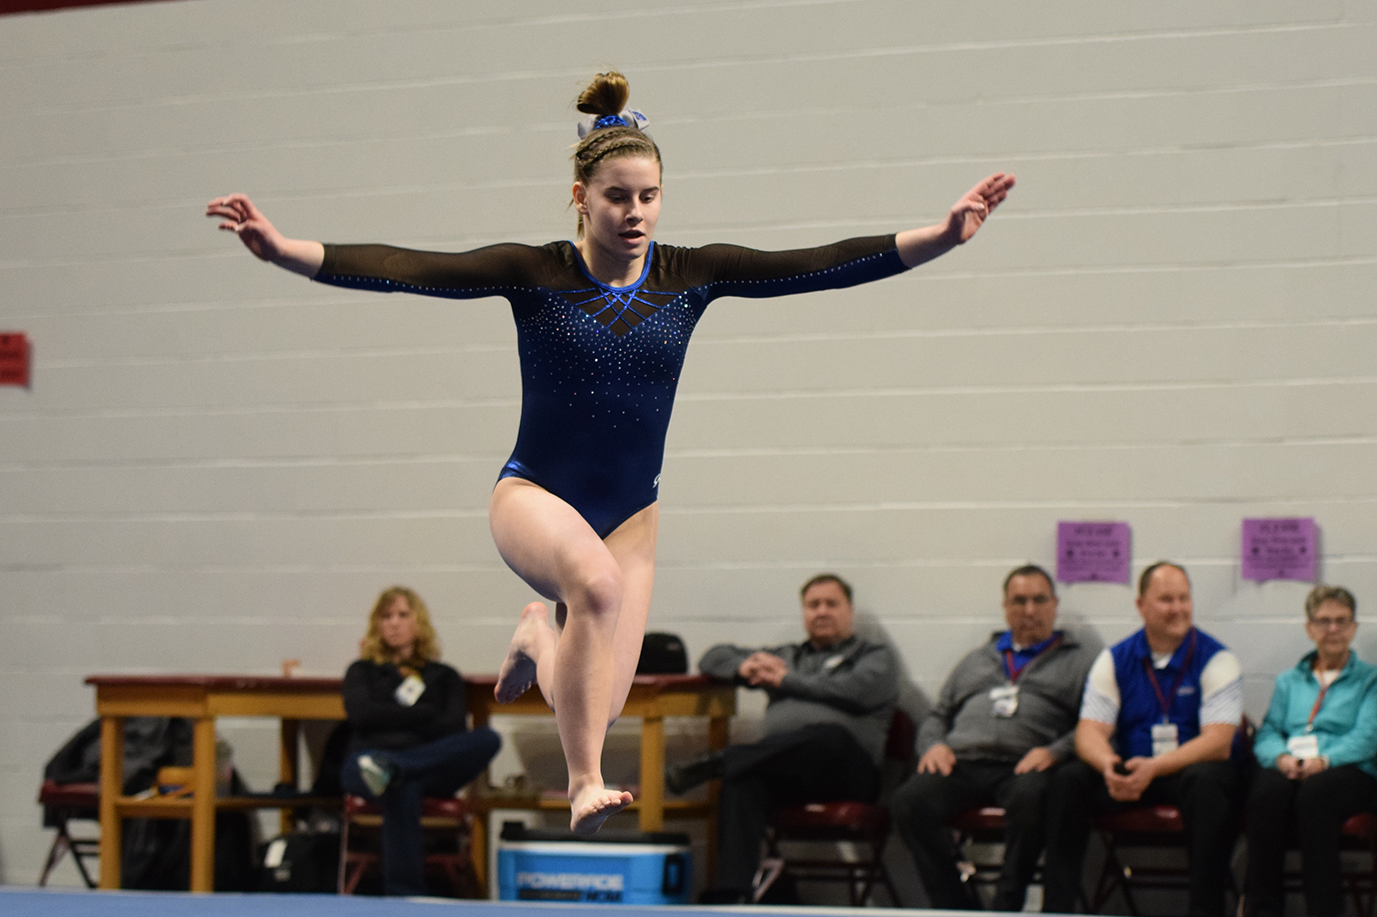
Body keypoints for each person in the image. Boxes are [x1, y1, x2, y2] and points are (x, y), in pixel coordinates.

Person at [207, 71, 1014, 835]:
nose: (635, 214)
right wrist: (288, 252)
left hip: (632, 515)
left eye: (649, 197)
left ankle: (536, 635)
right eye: (617, 197)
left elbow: (816, 265)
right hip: (533, 496)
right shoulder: (535, 273)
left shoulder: (691, 277)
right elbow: (411, 268)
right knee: (590, 586)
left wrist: (940, 237)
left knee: (595, 696)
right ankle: (583, 782)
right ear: (580, 198)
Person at [668, 574, 899, 903]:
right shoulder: (786, 655)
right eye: (812, 605)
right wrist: (743, 666)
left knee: (829, 735)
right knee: (741, 780)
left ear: (850, 610)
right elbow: (713, 656)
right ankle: (730, 892)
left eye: (831, 604)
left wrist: (787, 680)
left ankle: (722, 761)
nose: (821, 612)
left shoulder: (874, 656)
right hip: (789, 773)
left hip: (848, 775)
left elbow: (853, 690)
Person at [1041, 561, 1243, 917]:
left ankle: (1206, 915)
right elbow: (1089, 731)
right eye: (1166, 599)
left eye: (1184, 598)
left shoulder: (1218, 659)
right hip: (1131, 771)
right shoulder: (1114, 659)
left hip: (1187, 771)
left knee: (1208, 782)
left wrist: (1155, 767)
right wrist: (1108, 766)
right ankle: (1057, 912)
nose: (1178, 608)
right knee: (1068, 781)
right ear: (1141, 605)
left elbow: (1218, 742)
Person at [890, 565, 1099, 910]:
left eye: (1038, 600)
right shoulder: (976, 660)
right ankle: (954, 906)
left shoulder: (1079, 662)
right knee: (908, 802)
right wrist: (934, 745)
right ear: (1005, 607)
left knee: (1032, 800)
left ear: (1054, 604)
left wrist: (1055, 752)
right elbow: (938, 715)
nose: (1029, 610)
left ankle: (1007, 905)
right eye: (1019, 601)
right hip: (962, 761)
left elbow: (1095, 723)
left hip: (1023, 766)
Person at [341, 587, 501, 896]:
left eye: (403, 615)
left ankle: (396, 767)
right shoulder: (361, 672)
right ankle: (406, 893)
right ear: (376, 624)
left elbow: (452, 727)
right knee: (398, 782)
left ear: (419, 623)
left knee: (486, 739)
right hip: (368, 763)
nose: (394, 623)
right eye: (386, 616)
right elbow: (361, 717)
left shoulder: (444, 677)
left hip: (429, 765)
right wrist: (423, 712)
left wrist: (391, 715)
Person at [1243, 586, 1377, 917]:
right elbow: (1270, 731)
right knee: (1266, 792)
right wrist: (1283, 759)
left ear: (1354, 627)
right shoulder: (1290, 681)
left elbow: (1367, 737)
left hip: (1349, 770)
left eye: (1342, 621)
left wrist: (1323, 761)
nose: (1333, 629)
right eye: (1324, 621)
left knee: (1317, 794)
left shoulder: (1369, 680)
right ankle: (1261, 910)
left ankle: (1324, 912)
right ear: (1309, 627)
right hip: (1295, 765)